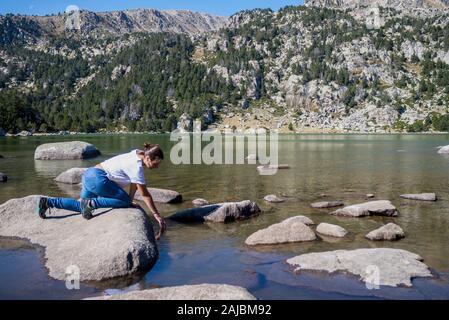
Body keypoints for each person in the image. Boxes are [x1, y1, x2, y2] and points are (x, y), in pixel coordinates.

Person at [35, 143, 167, 240]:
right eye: (157, 163)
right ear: (149, 159)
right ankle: (92, 204)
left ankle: (47, 202)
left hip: (89, 175)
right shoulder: (137, 167)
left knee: (81, 207)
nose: (157, 166)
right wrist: (156, 215)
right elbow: (144, 194)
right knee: (120, 201)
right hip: (99, 178)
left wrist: (130, 199)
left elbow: (134, 183)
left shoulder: (138, 153)